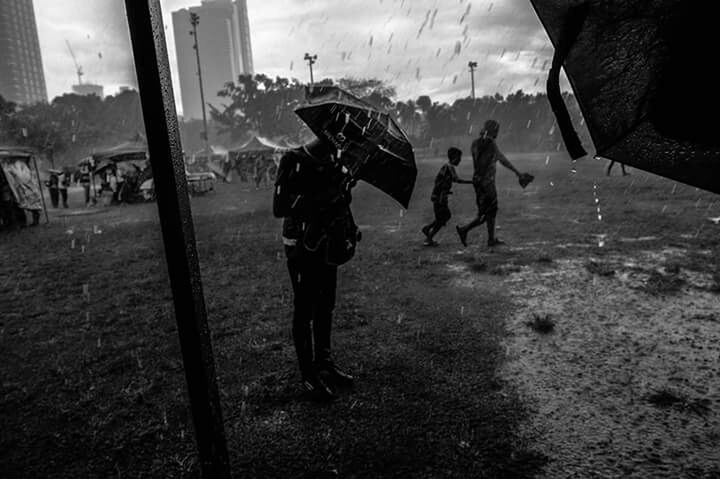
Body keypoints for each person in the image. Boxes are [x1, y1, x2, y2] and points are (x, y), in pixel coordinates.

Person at [273, 138, 360, 401]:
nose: (340, 146)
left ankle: (324, 362)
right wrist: (325, 194)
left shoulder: (334, 161)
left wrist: (348, 222)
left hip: (328, 243)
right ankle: (308, 375)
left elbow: (340, 204)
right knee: (304, 309)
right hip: (302, 245)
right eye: (336, 139)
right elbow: (280, 208)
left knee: (326, 304)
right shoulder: (293, 159)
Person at [456, 119, 527, 247]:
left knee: (486, 211)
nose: (498, 133)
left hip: (477, 181)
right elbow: (502, 160)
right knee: (488, 212)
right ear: (493, 130)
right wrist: (517, 172)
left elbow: (479, 161)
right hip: (487, 183)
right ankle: (465, 230)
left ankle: (490, 239)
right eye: (497, 130)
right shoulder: (491, 144)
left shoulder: (475, 143)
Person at [421, 147, 472, 246]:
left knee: (444, 216)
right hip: (440, 197)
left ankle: (427, 228)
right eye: (459, 158)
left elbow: (441, 181)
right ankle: (429, 238)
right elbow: (456, 179)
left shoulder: (446, 167)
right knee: (442, 218)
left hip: (440, 195)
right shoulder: (449, 167)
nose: (460, 160)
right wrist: (472, 182)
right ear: (454, 157)